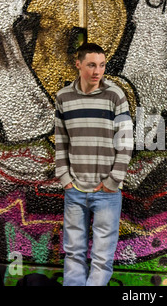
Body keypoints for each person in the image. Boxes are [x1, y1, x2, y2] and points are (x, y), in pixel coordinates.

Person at [55, 43, 133, 286]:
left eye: (101, 65)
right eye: (91, 65)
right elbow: (61, 141)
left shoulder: (115, 95)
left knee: (101, 258)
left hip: (106, 192)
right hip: (75, 191)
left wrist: (112, 182)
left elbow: (126, 143)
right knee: (73, 255)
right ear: (78, 64)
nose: (97, 71)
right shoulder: (64, 97)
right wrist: (65, 179)